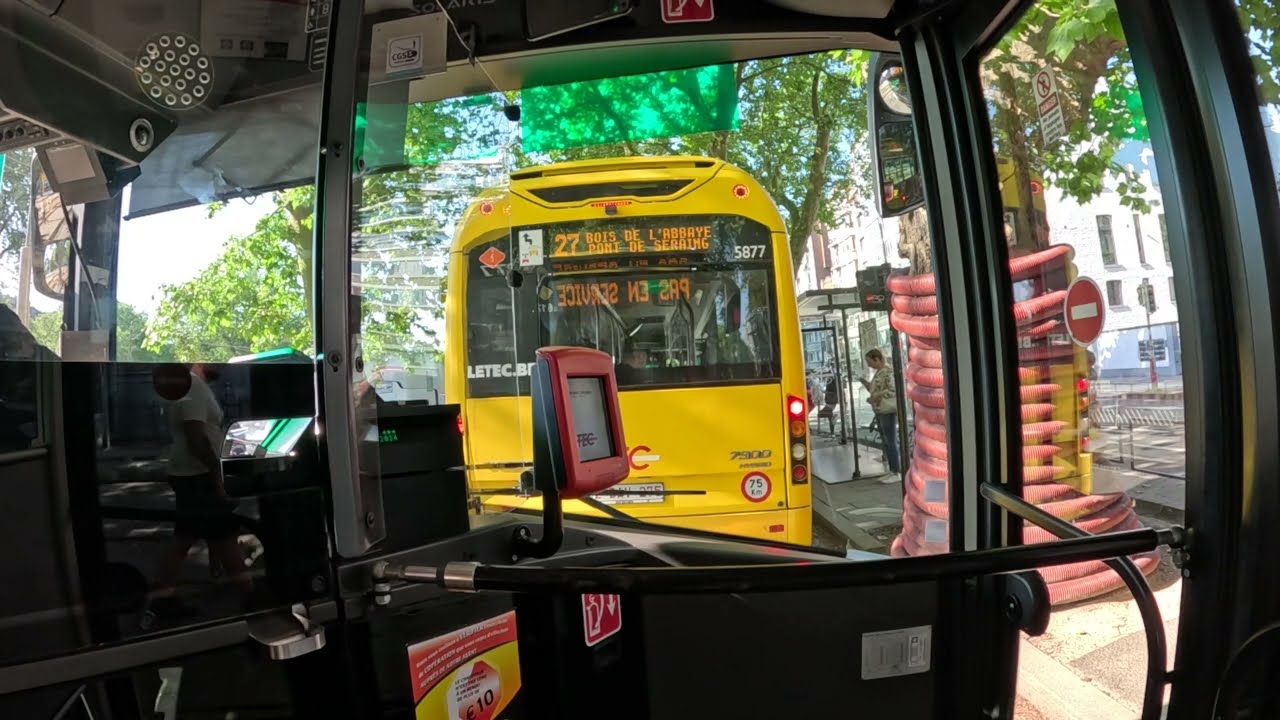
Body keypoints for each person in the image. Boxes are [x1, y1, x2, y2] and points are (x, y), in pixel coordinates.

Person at [143, 363, 251, 626]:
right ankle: (255, 599)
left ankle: (162, 600)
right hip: (198, 475)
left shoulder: (191, 386)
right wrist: (217, 473)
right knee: (224, 535)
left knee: (187, 536)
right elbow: (196, 437)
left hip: (190, 474)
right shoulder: (193, 385)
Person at [860, 348, 900, 484]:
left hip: (886, 410)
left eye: (869, 361)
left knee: (890, 440)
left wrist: (877, 395)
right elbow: (875, 388)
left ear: (877, 359)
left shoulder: (888, 372)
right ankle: (892, 469)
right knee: (886, 441)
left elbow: (894, 390)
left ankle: (896, 471)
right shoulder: (879, 373)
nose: (869, 365)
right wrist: (866, 384)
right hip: (880, 410)